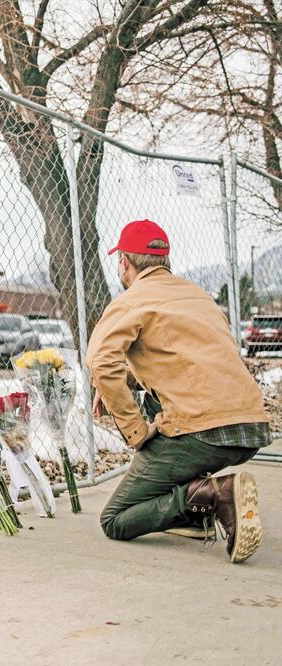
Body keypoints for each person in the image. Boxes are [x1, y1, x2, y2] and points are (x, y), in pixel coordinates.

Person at [86, 219, 270, 563]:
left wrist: (136, 432)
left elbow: (99, 362)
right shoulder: (198, 297)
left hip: (202, 432)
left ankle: (215, 494)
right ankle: (195, 516)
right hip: (250, 429)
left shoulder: (131, 301)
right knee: (155, 402)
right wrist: (119, 380)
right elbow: (184, 362)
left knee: (115, 520)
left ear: (123, 262)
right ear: (164, 260)